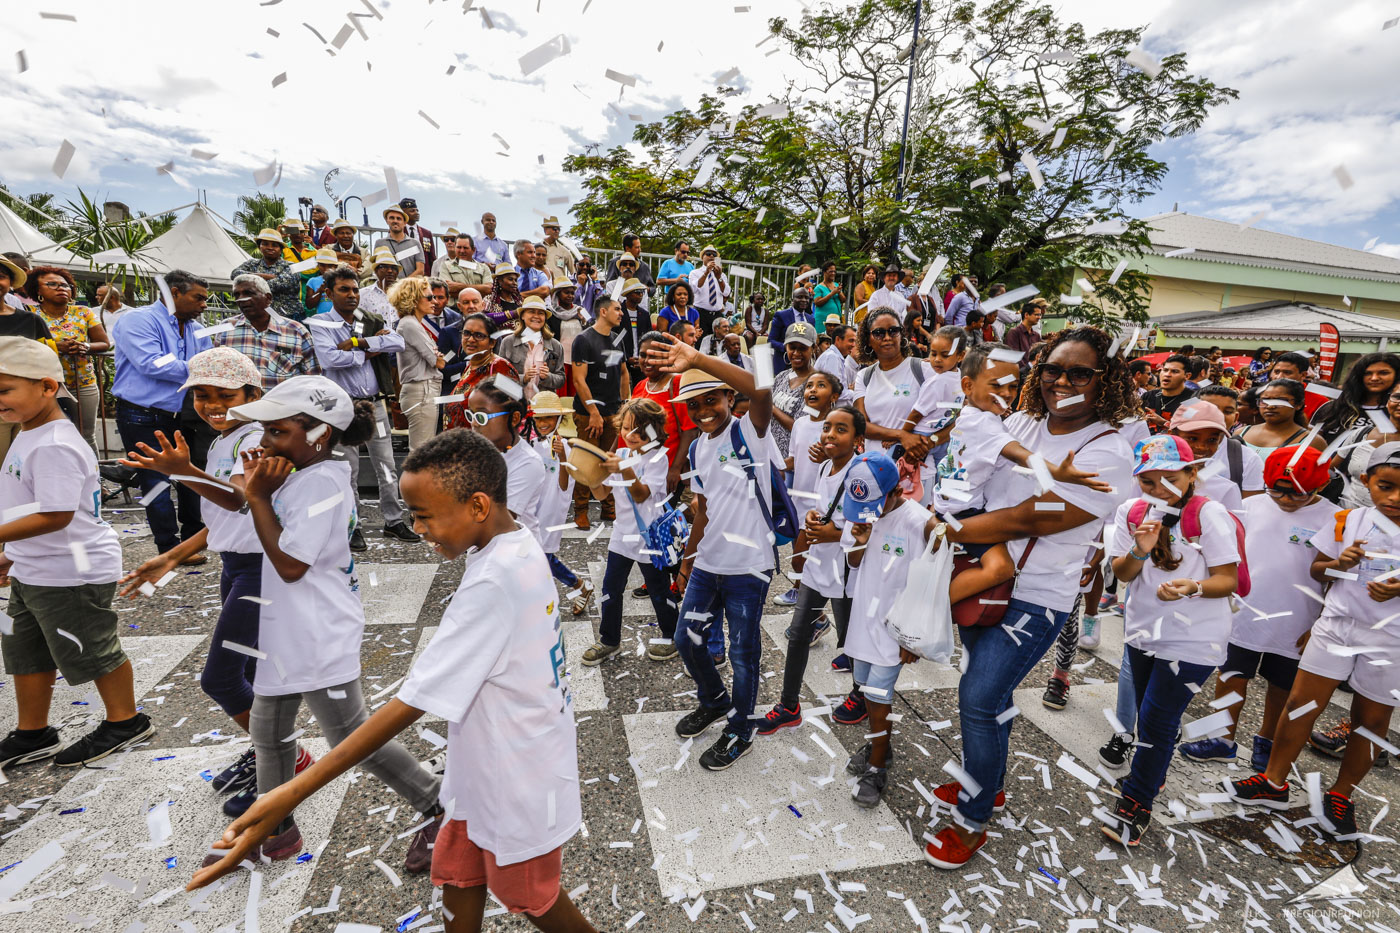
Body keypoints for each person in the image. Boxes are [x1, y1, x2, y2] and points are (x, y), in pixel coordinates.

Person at [191, 428, 597, 932]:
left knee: (531, 896)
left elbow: (408, 705)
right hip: (484, 765)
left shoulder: (495, 582)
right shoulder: (512, 543)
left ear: (477, 506)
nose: (418, 528)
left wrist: (288, 794)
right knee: (458, 873)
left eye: (425, 515)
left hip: (518, 780)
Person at [192, 376, 441, 868]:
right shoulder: (298, 474)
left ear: (319, 434)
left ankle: (437, 804)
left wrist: (259, 496)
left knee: (352, 740)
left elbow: (291, 564)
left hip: (318, 631)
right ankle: (274, 829)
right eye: (265, 431)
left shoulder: (323, 481)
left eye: (277, 432)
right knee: (268, 732)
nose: (265, 442)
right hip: (286, 626)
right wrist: (259, 489)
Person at [925, 326, 1135, 868]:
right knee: (992, 698)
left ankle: (973, 818)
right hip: (984, 579)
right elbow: (967, 472)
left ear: (1106, 380)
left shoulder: (1109, 451)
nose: (1061, 381)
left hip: (1037, 597)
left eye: (1079, 373)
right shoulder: (1019, 421)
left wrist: (945, 528)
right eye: (1052, 369)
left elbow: (1032, 517)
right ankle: (988, 784)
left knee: (977, 698)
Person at [116, 348, 313, 814]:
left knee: (221, 679)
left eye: (226, 395)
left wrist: (184, 472)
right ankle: (267, 750)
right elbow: (224, 520)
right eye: (202, 395)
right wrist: (173, 555)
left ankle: (287, 757)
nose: (212, 404)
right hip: (237, 567)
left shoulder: (257, 438)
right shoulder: (224, 440)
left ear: (253, 394)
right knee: (251, 673)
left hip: (263, 570)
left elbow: (241, 499)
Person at [1229, 441, 1400, 838]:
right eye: (1386, 486)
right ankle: (1273, 781)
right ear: (1366, 481)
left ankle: (1342, 795)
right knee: (1301, 703)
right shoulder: (1348, 520)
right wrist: (1341, 563)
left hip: (1391, 638)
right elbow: (1319, 569)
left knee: (1372, 719)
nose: (1395, 498)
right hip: (1336, 624)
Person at [0, 337, 151, 771]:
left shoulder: (54, 443)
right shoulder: (30, 432)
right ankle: (33, 731)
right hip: (36, 566)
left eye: (5, 390)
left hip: (72, 569)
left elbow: (56, 514)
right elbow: (29, 505)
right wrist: (12, 554)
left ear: (48, 387)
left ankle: (126, 721)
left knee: (92, 649)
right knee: (26, 651)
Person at [1101, 435, 1239, 847]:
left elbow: (1227, 580)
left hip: (1195, 638)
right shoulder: (1131, 511)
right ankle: (1154, 772)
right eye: (1149, 481)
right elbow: (1122, 574)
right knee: (1150, 715)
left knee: (1157, 721)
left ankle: (1137, 800)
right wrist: (1139, 550)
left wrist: (1192, 587)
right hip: (1143, 630)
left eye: (1171, 479)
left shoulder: (1209, 513)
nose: (1160, 489)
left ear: (1192, 473)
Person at [650, 334, 779, 772]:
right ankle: (714, 700)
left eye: (712, 400)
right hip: (708, 563)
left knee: (743, 654)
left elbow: (761, 389)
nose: (704, 410)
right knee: (686, 639)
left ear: (728, 397)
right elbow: (702, 510)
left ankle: (740, 729)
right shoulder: (699, 448)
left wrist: (698, 358)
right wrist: (687, 563)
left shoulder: (749, 432)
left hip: (748, 567)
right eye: (694, 405)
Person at [1175, 446, 1334, 772]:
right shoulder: (1249, 506)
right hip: (1244, 612)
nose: (1286, 500)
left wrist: (1318, 624)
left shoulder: (1333, 518)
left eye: (1298, 494)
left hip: (1297, 621)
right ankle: (1221, 738)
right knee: (1231, 675)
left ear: (1321, 486)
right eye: (1277, 491)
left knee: (1282, 687)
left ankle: (1268, 740)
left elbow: (1334, 581)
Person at [836, 450, 936, 806]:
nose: (867, 514)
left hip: (895, 628)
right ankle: (882, 746)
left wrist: (914, 636)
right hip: (864, 620)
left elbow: (930, 582)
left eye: (875, 505)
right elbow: (853, 561)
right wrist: (861, 539)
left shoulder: (918, 522)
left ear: (896, 491)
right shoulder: (862, 513)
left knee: (880, 697)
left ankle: (877, 767)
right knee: (865, 689)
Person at [757, 403, 864, 733]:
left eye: (841, 430)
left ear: (858, 440)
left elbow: (874, 522)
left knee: (852, 638)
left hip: (847, 570)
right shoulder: (825, 466)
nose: (830, 434)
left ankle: (861, 695)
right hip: (819, 565)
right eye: (827, 428)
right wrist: (813, 518)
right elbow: (821, 507)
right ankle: (789, 705)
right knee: (799, 632)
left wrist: (837, 533)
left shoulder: (862, 475)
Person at [308, 264, 420, 547]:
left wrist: (357, 342)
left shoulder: (367, 318)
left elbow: (397, 342)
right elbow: (331, 359)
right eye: (344, 289)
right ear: (329, 293)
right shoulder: (321, 323)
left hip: (374, 405)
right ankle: (352, 525)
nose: (352, 295)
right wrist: (370, 351)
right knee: (348, 469)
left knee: (386, 465)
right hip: (340, 406)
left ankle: (394, 521)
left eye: (355, 289)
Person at [112, 269, 215, 558]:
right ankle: (168, 547)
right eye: (198, 298)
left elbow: (208, 361)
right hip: (142, 415)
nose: (203, 305)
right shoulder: (137, 319)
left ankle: (192, 541)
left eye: (205, 299)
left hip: (185, 414)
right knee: (155, 482)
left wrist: (205, 369)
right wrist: (202, 370)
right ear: (175, 293)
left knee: (191, 479)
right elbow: (153, 364)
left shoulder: (196, 329)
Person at [580, 397, 681, 665]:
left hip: (650, 538)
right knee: (610, 589)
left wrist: (622, 469)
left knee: (659, 592)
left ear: (654, 430)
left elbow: (640, 495)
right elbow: (602, 494)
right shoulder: (622, 456)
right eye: (626, 428)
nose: (630, 435)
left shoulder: (657, 458)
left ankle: (672, 636)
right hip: (622, 536)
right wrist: (590, 476)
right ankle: (609, 640)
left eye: (639, 429)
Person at [459, 376, 549, 549]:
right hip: (486, 549)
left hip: (518, 554)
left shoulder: (528, 463)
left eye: (482, 416)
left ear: (514, 418)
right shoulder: (481, 452)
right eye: (471, 415)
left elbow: (498, 519)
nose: (474, 423)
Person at [26, 265, 108, 452]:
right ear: (38, 291)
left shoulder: (83, 312)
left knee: (85, 434)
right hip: (42, 384)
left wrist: (85, 346)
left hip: (82, 383)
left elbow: (103, 343)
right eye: (52, 284)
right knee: (45, 433)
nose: (61, 288)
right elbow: (23, 345)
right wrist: (55, 347)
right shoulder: (28, 314)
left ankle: (92, 471)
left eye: (65, 285)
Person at [527, 392, 592, 614]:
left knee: (543, 556)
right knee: (535, 556)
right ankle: (578, 587)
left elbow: (564, 486)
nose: (543, 423)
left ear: (559, 419)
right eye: (538, 418)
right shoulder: (530, 444)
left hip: (551, 508)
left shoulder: (567, 447)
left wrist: (563, 456)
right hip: (530, 509)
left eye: (548, 418)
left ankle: (578, 587)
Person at [570, 298, 628, 528]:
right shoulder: (583, 339)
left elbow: (624, 373)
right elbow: (578, 379)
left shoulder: (618, 339)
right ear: (603, 311)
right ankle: (581, 510)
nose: (621, 313)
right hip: (588, 414)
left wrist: (625, 406)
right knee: (586, 463)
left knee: (610, 461)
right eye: (617, 309)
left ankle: (609, 508)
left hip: (614, 412)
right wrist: (593, 412)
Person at [213, 274, 320, 386]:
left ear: (268, 298)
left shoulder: (296, 331)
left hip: (282, 397)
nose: (241, 299)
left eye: (248, 293)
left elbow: (314, 378)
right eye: (237, 295)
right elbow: (217, 372)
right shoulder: (225, 329)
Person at [632, 332, 698, 492]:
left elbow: (690, 431)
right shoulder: (640, 386)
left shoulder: (677, 384)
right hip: (641, 471)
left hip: (667, 474)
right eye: (643, 355)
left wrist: (675, 469)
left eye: (653, 356)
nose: (646, 361)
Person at [392, 277, 448, 451]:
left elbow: (437, 359)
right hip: (421, 390)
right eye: (429, 297)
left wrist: (437, 357)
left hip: (423, 390)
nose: (434, 302)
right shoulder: (410, 324)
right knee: (421, 451)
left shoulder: (413, 323)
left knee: (423, 449)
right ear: (414, 300)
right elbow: (439, 362)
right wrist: (437, 357)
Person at [443, 313, 520, 429]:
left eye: (479, 335)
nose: (471, 339)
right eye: (466, 333)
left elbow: (512, 412)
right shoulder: (471, 366)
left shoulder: (499, 367)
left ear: (492, 342)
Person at [1312, 352, 1400, 442]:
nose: (1374, 378)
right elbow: (1313, 443)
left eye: (1383, 373)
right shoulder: (1331, 408)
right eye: (1367, 373)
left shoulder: (1396, 411)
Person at [496, 295, 565, 402]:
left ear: (545, 318)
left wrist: (547, 377)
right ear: (522, 316)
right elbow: (500, 378)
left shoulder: (556, 346)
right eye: (531, 312)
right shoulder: (508, 342)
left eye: (540, 313)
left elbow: (561, 379)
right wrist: (523, 378)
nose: (536, 316)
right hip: (516, 403)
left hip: (544, 405)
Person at [768, 321, 818, 468]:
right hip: (772, 456)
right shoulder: (782, 376)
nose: (796, 353)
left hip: (794, 464)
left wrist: (770, 407)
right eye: (792, 347)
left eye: (802, 348)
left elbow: (801, 428)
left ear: (813, 348)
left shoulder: (818, 384)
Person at [233, 229, 302, 319]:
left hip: (289, 316)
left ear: (281, 249)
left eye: (274, 245)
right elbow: (235, 274)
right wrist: (264, 276)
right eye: (265, 244)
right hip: (260, 316)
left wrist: (250, 281)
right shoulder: (252, 263)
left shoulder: (292, 266)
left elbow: (277, 285)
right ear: (259, 247)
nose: (270, 248)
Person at [1237, 379, 1313, 459]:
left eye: (1280, 400)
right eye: (1265, 400)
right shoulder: (1241, 433)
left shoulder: (1310, 441)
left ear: (1299, 404)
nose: (1270, 406)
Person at [768, 287, 816, 373]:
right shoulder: (781, 315)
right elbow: (771, 341)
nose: (804, 300)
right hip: (784, 364)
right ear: (792, 299)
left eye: (806, 298)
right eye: (800, 297)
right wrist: (789, 348)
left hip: (804, 365)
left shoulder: (811, 319)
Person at [1140, 354, 1193, 430]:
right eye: (1165, 370)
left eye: (1175, 371)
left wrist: (1164, 423)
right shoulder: (1148, 396)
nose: (1167, 374)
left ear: (1187, 376)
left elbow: (1189, 429)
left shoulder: (1192, 400)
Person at [688, 245, 732, 334]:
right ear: (702, 257)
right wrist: (706, 273)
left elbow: (726, 292)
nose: (711, 256)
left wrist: (719, 277)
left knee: (717, 340)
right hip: (701, 313)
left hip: (717, 314)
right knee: (700, 339)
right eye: (708, 254)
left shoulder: (721, 275)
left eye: (714, 255)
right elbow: (694, 289)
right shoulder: (695, 273)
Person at [374, 204, 424, 278]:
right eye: (392, 218)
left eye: (399, 218)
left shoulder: (415, 243)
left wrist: (402, 283)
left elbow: (420, 270)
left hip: (409, 285)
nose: (395, 221)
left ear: (405, 223)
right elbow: (377, 268)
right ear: (387, 221)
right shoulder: (379, 243)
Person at [816, 323, 859, 403]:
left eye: (855, 341)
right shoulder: (832, 357)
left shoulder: (835, 357)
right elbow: (835, 393)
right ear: (838, 339)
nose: (853, 345)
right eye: (851, 341)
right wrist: (853, 392)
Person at [400, 198, 436, 273]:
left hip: (424, 274)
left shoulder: (427, 233)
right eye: (412, 211)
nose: (416, 213)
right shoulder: (398, 232)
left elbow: (432, 257)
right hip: (405, 274)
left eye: (417, 210)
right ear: (404, 213)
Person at [301, 247, 340, 317]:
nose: (326, 269)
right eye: (322, 265)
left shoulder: (342, 281)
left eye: (330, 266)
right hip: (321, 319)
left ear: (335, 266)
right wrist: (319, 291)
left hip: (339, 318)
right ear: (318, 265)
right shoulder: (312, 281)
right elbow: (309, 305)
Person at [813, 261, 846, 326]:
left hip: (835, 320)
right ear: (824, 272)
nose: (833, 273)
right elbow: (817, 303)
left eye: (834, 271)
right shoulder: (818, 287)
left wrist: (839, 292)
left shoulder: (836, 285)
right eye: (830, 271)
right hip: (823, 320)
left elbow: (843, 300)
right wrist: (831, 294)